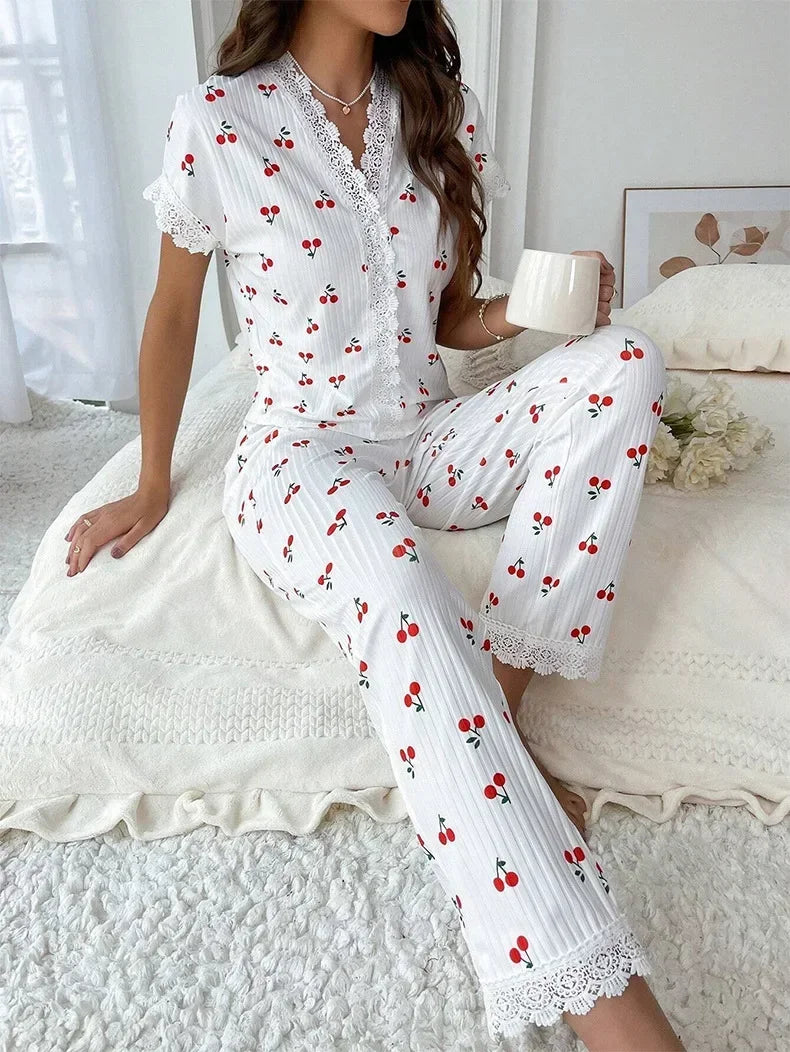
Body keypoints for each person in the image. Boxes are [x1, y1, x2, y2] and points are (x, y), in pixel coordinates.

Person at [64, 1, 684, 1048]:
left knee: (626, 363)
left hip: (425, 435)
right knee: (398, 582)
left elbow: (448, 318)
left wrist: (533, 309)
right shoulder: (220, 119)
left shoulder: (436, 109)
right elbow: (173, 312)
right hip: (301, 454)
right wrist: (152, 478)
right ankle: (606, 1004)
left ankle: (496, 713)